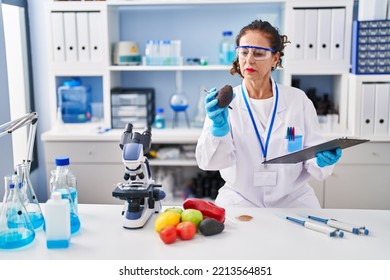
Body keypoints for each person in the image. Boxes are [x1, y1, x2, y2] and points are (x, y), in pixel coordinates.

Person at [195, 19, 342, 208]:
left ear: (275, 58)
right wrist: (218, 131)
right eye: (244, 52)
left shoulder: (298, 100)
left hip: (293, 199)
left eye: (258, 53)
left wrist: (323, 160)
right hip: (240, 199)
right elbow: (209, 162)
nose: (249, 60)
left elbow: (312, 157)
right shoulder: (224, 103)